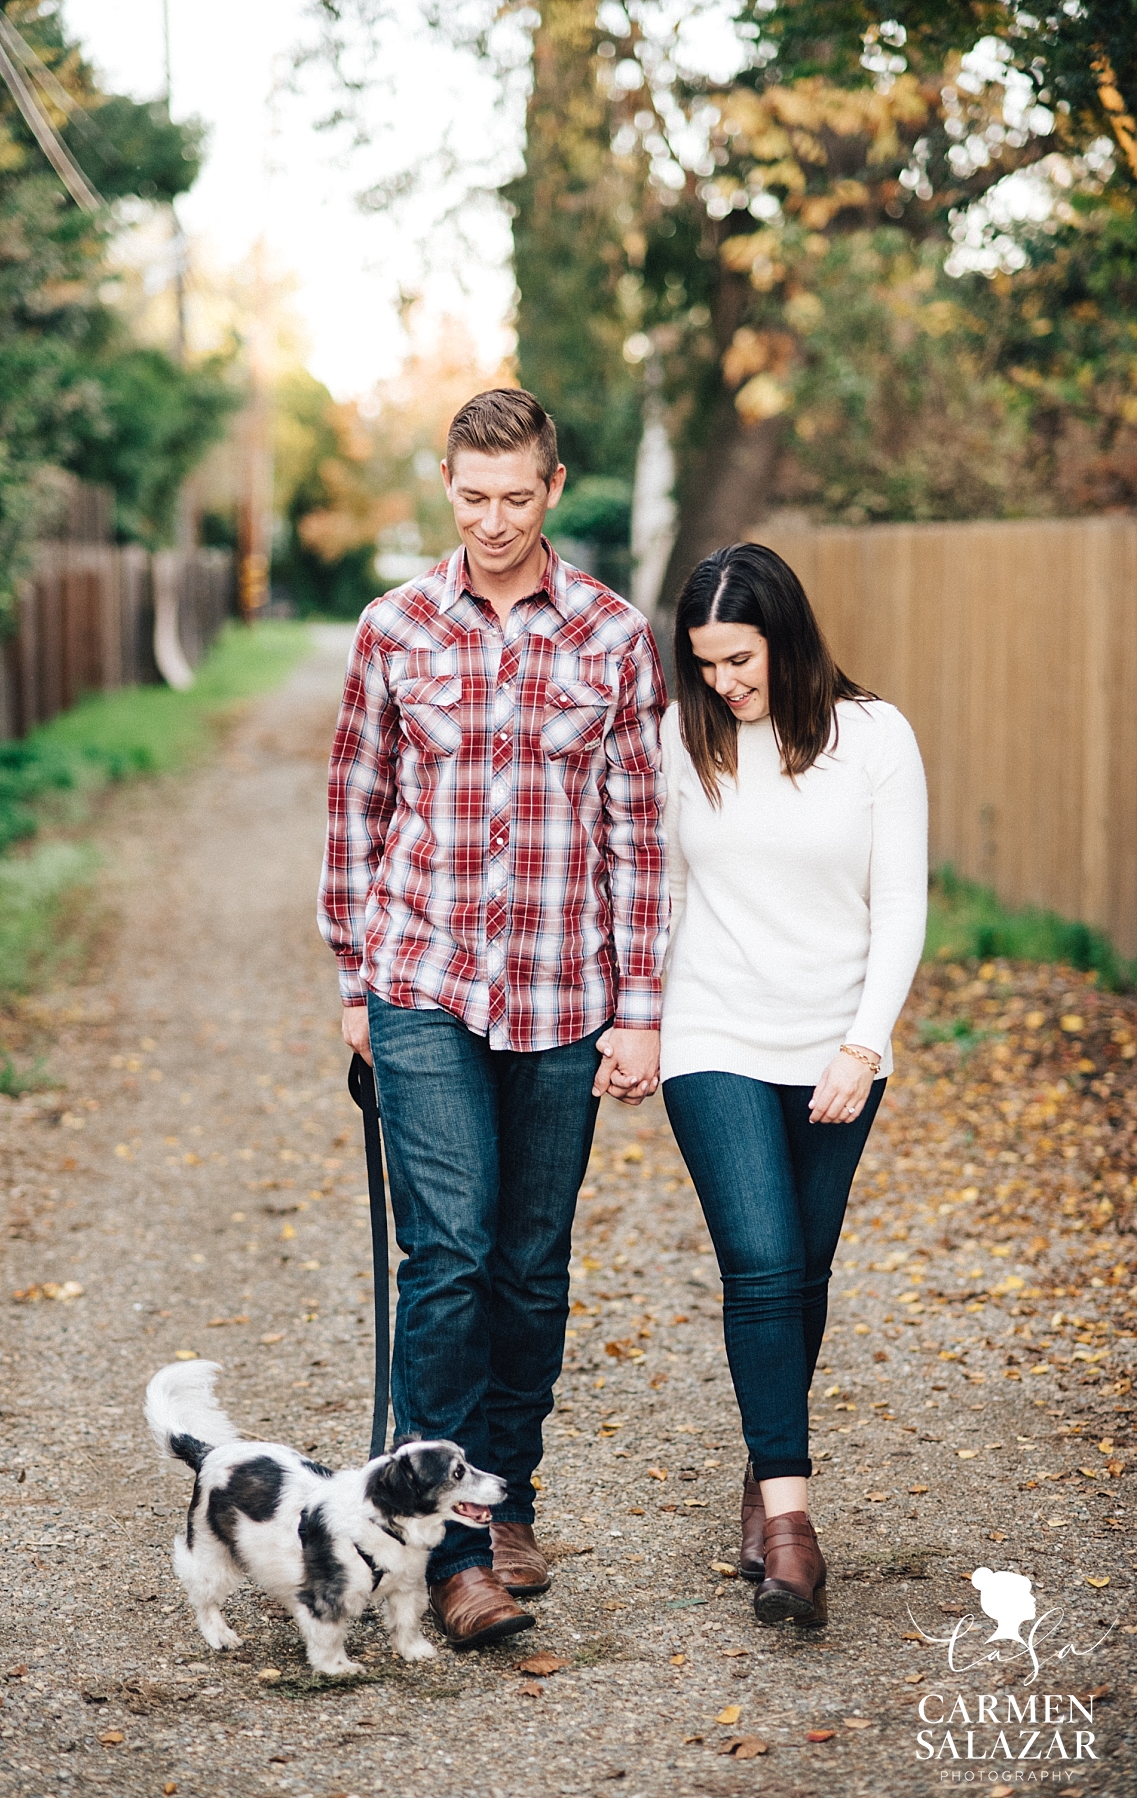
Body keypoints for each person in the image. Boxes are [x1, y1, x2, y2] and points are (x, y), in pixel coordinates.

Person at [319, 388, 667, 1649]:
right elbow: (356, 807)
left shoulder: (615, 637)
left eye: (518, 497)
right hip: (424, 981)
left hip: (568, 989)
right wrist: (358, 979)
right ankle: (450, 1542)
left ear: (555, 486)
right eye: (473, 497)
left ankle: (507, 1489)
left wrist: (641, 1008)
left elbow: (638, 831)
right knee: (451, 1255)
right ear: (448, 484)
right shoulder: (393, 628)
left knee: (530, 1262)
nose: (495, 520)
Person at [658, 542, 928, 1627]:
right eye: (705, 663)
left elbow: (900, 902)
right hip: (712, 1033)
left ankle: (762, 1476)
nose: (723, 682)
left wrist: (864, 1044)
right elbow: (659, 893)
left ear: (787, 636)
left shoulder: (875, 739)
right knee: (763, 1263)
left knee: (805, 1273)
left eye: (739, 658)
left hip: (836, 1044)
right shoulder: (679, 738)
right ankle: (793, 1532)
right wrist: (634, 1020)